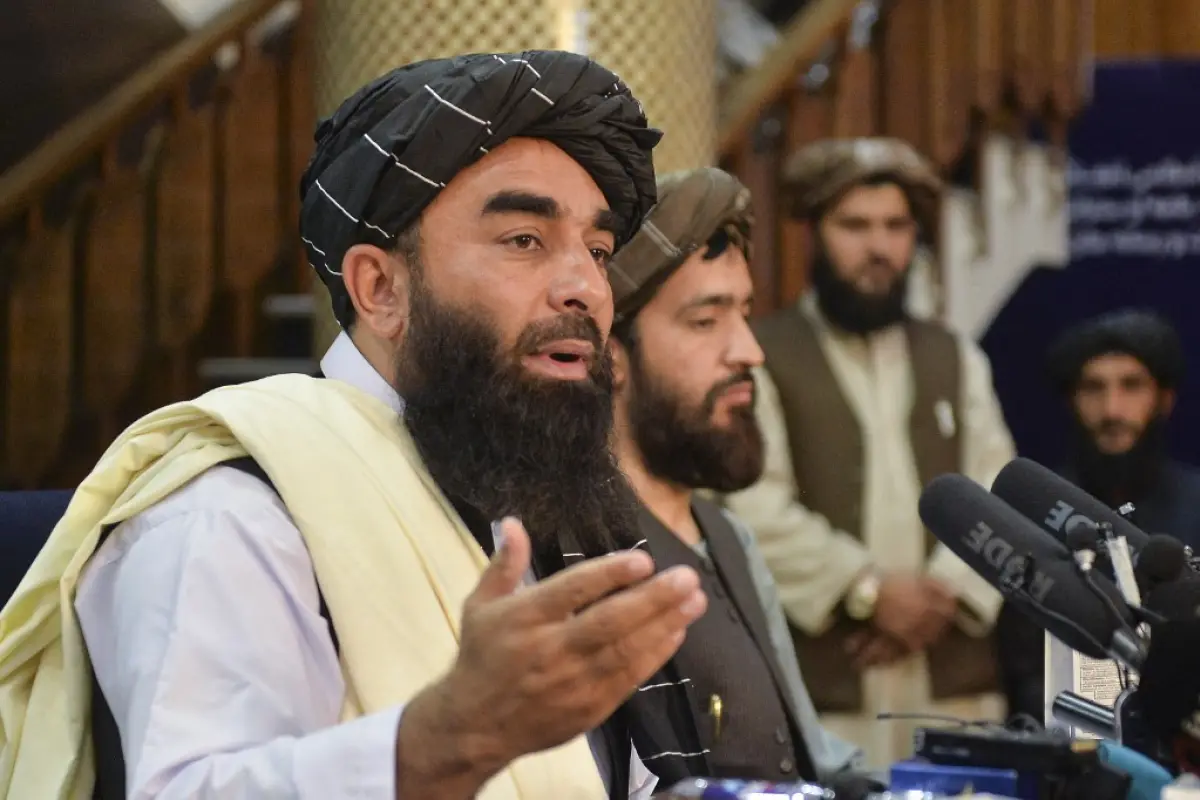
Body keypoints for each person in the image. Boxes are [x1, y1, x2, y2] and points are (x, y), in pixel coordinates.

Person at [0, 51, 710, 800]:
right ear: (379, 288)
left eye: (598, 251)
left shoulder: (518, 494)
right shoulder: (237, 510)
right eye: (524, 240)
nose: (587, 288)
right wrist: (444, 741)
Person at [723, 137, 1016, 766]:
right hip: (829, 684)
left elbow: (999, 490)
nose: (877, 247)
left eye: (895, 226)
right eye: (854, 226)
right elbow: (749, 504)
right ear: (814, 234)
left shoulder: (956, 357)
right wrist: (868, 592)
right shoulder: (760, 355)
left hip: (952, 681)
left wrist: (936, 598)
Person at [606, 167, 868, 785]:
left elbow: (810, 755)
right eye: (706, 321)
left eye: (745, 313)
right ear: (612, 355)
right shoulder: (583, 553)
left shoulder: (729, 537)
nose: (749, 351)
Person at [1047, 309, 1200, 546]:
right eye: (1093, 387)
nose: (1111, 410)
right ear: (1071, 402)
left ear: (1164, 400)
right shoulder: (1041, 506)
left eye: (1132, 385)